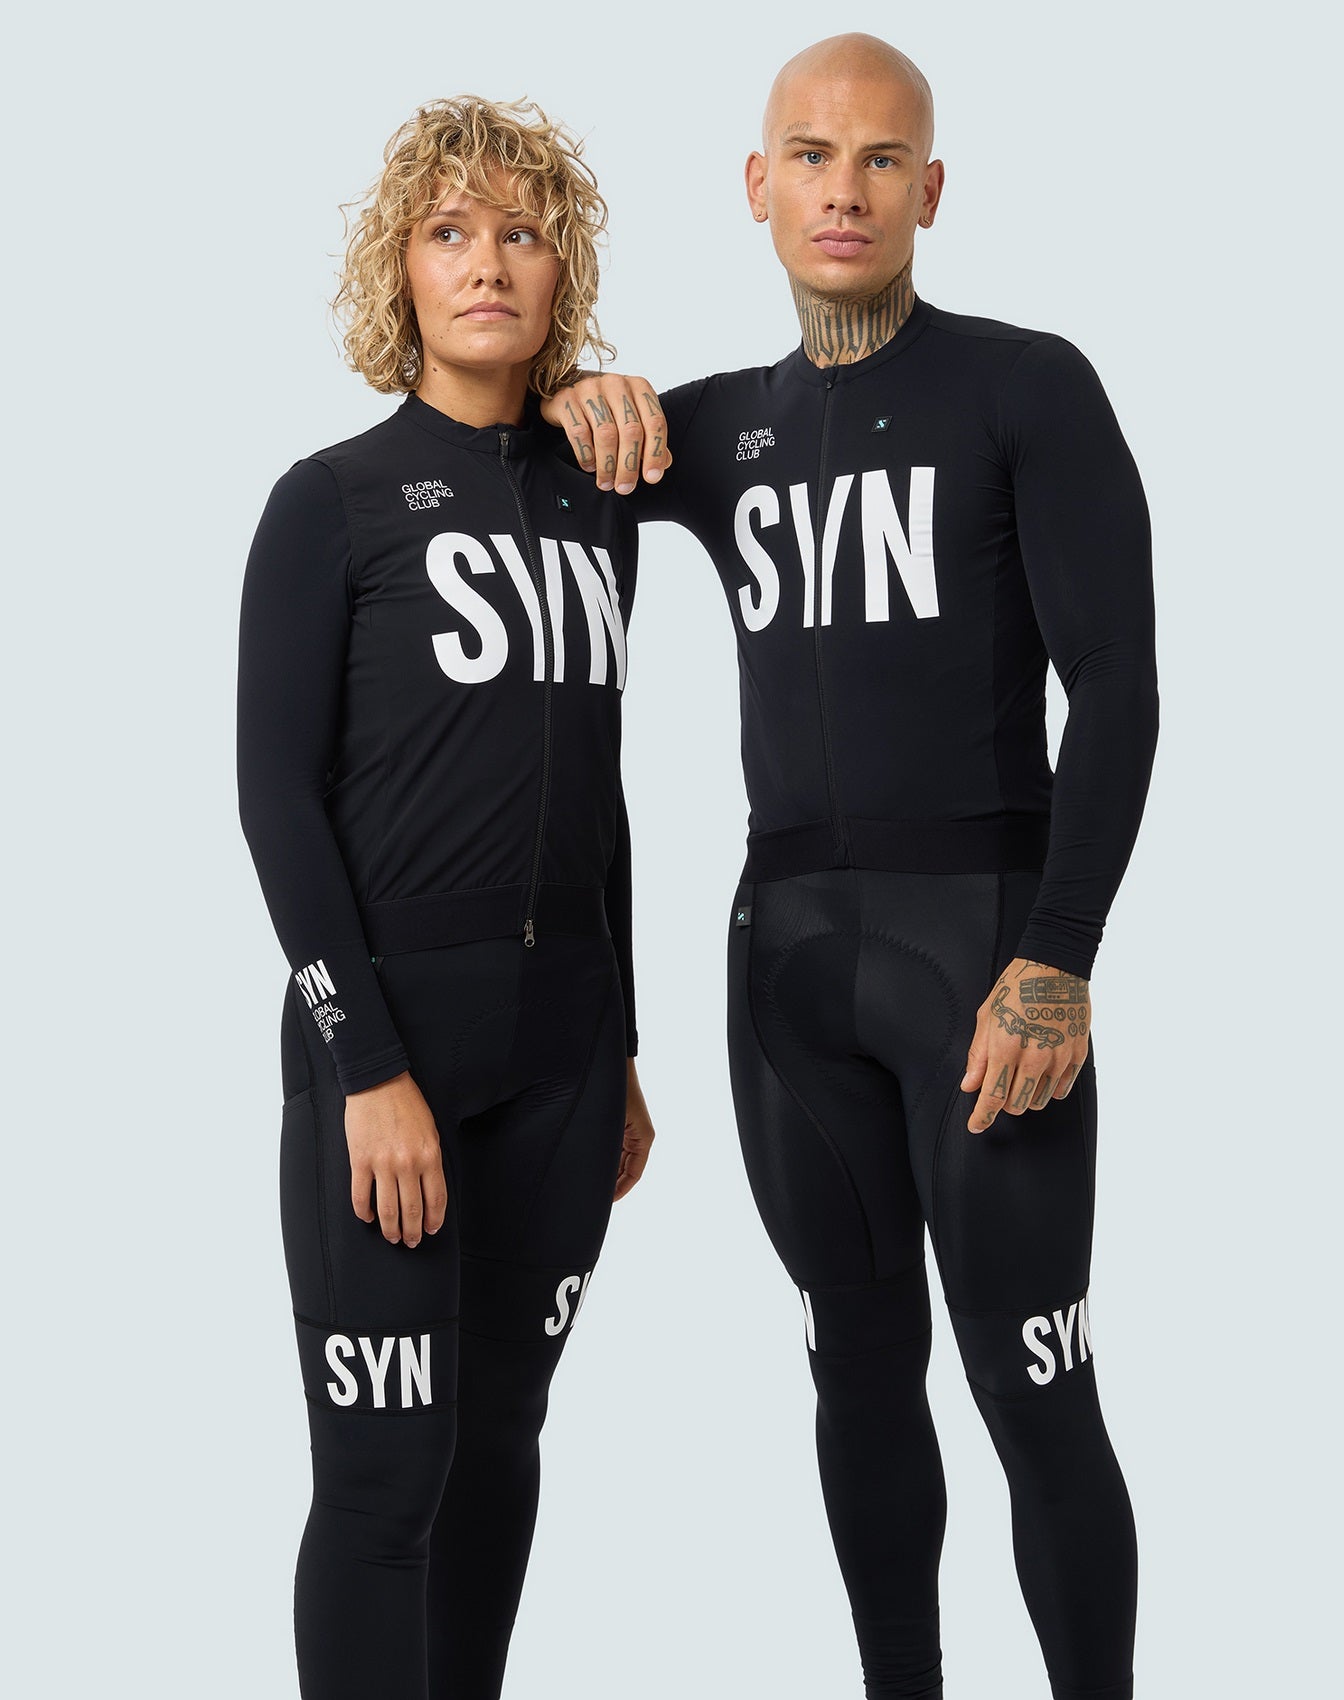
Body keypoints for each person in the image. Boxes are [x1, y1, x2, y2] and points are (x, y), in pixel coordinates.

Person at [543, 34, 1156, 1700]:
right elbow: (544, 447)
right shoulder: (718, 428)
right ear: (757, 187)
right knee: (860, 1374)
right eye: (811, 156)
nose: (845, 189)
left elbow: (1118, 688)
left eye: (883, 159)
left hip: (985, 958)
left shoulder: (1026, 387)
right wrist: (584, 388)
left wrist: (1060, 954)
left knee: (1035, 1387)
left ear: (930, 191)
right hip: (789, 969)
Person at [237, 97, 655, 1700]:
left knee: (500, 1444)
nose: (488, 263)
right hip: (391, 1056)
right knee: (382, 1478)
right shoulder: (330, 501)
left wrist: (622, 1045)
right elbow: (275, 801)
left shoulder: (603, 498)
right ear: (401, 270)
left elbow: (600, 791)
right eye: (450, 232)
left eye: (523, 232)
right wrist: (365, 1065)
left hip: (564, 1061)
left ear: (563, 272)